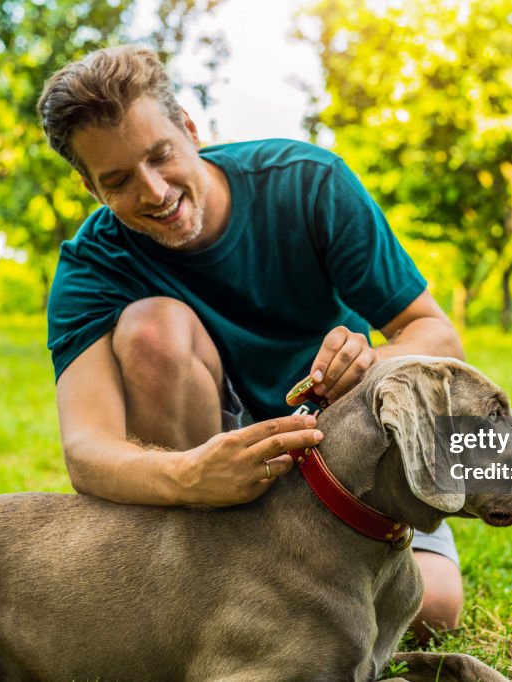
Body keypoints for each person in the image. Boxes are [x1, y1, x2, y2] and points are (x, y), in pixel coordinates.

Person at [37, 44, 466, 643]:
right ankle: (209, 570)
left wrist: (371, 362)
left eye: (160, 156)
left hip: (337, 444)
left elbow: (437, 337)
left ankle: (279, 586)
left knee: (434, 611)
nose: (155, 190)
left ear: (189, 128)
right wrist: (189, 474)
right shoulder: (90, 266)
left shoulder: (309, 182)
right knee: (152, 326)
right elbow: (87, 450)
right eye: (118, 180)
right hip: (210, 471)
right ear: (89, 185)